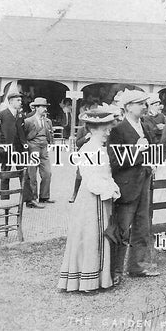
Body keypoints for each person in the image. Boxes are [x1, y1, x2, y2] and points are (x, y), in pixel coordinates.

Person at [58, 108, 121, 292]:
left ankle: (99, 279)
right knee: (89, 237)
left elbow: (105, 175)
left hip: (100, 198)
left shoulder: (100, 149)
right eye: (104, 129)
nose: (108, 132)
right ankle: (87, 281)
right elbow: (91, 179)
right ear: (93, 130)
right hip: (91, 199)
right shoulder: (88, 149)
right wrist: (111, 190)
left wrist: (112, 188)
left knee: (98, 237)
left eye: (109, 129)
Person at [107, 89, 160, 279]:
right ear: (128, 107)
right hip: (127, 186)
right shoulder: (117, 130)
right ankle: (115, 271)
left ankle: (137, 266)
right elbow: (114, 161)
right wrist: (137, 152)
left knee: (142, 227)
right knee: (122, 229)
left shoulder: (145, 126)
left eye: (145, 103)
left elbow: (152, 149)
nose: (145, 107)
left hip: (144, 183)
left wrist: (152, 162)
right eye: (140, 104)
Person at [0, 92, 36, 206]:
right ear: (10, 102)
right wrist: (1, 147)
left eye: (20, 100)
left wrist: (24, 146)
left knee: (24, 173)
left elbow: (22, 132)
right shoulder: (1, 115)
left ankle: (28, 200)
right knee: (5, 173)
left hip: (19, 149)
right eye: (18, 100)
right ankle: (4, 201)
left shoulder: (20, 116)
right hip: (6, 149)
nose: (20, 102)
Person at [24, 97, 54, 206]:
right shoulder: (28, 121)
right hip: (33, 148)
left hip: (44, 149)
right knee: (32, 175)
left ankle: (44, 196)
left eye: (45, 107)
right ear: (36, 108)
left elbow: (50, 134)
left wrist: (50, 143)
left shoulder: (48, 121)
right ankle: (32, 199)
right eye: (42, 107)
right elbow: (24, 136)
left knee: (47, 173)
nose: (45, 109)